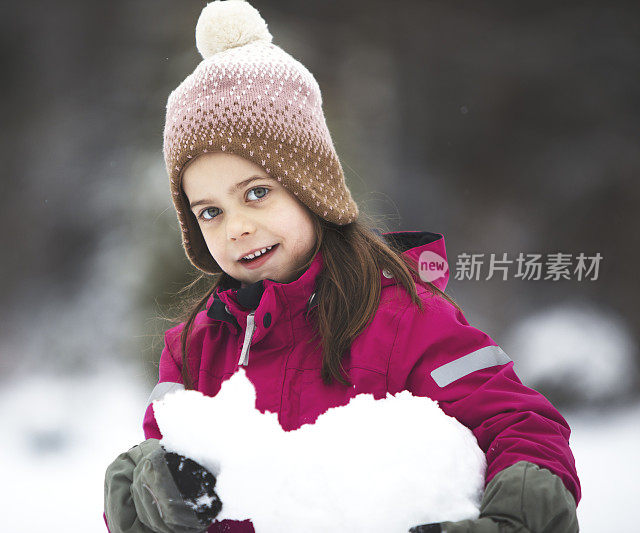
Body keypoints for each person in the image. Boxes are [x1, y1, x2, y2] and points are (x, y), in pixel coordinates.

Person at [103, 1, 580, 532]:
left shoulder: (406, 318)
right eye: (210, 212)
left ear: (313, 190)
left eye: (257, 193)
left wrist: (517, 513)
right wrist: (138, 491)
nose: (235, 227)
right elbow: (157, 473)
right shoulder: (194, 349)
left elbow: (519, 424)